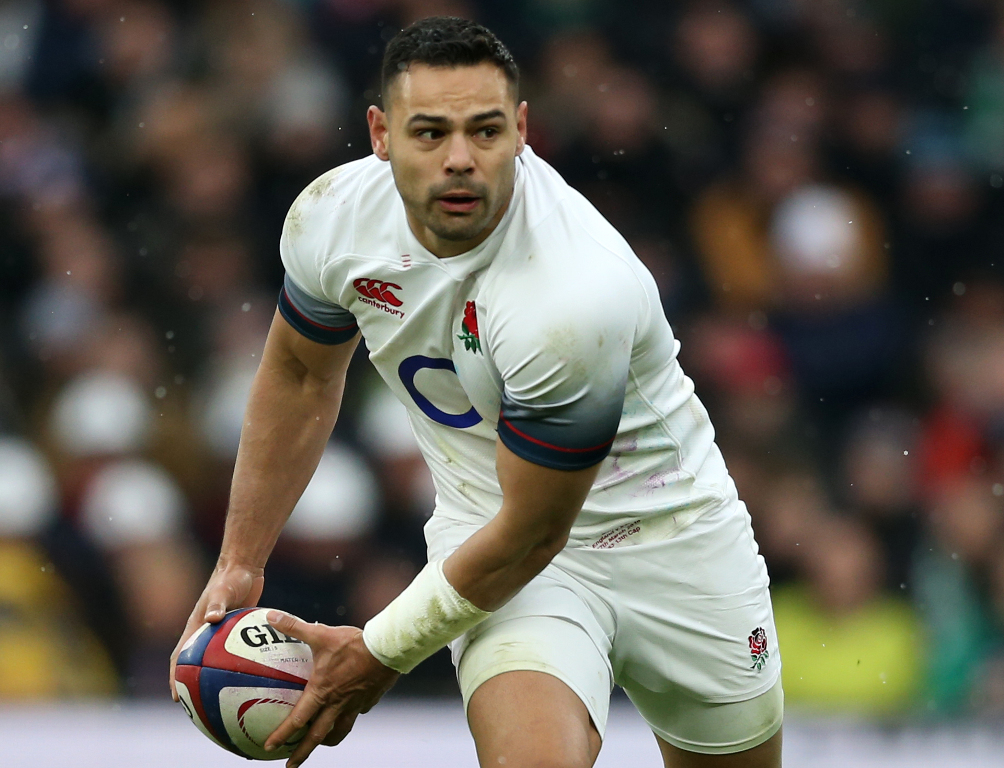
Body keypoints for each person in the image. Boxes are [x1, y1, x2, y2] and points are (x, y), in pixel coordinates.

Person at [169, 17, 784, 768]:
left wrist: (379, 651)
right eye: (430, 132)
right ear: (381, 133)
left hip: (675, 545)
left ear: (521, 130)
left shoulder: (570, 295)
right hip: (498, 547)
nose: (460, 159)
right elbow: (300, 374)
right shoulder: (333, 219)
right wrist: (239, 559)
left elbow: (534, 531)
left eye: (485, 131)